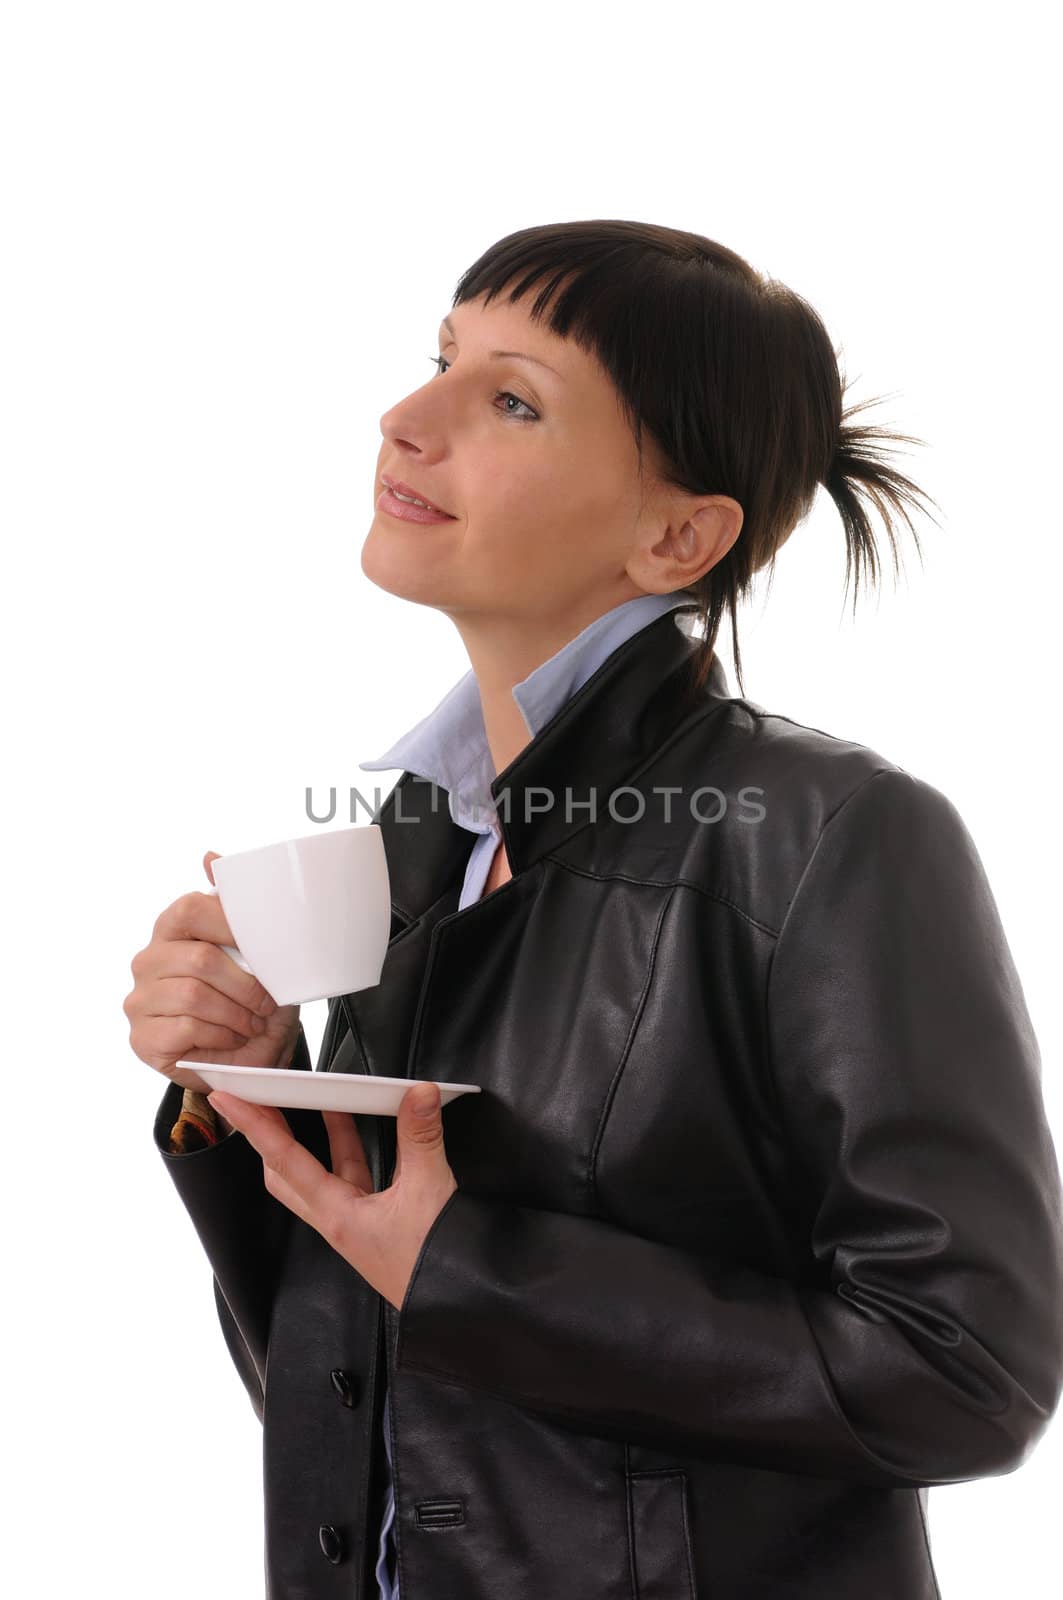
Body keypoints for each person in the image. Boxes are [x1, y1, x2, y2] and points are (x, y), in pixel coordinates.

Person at [124, 218, 1063, 1599]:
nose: (404, 417)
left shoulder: (830, 835)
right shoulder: (421, 835)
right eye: (438, 362)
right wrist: (254, 1096)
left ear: (677, 534)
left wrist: (470, 1270)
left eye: (510, 398)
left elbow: (964, 1370)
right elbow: (366, 1403)